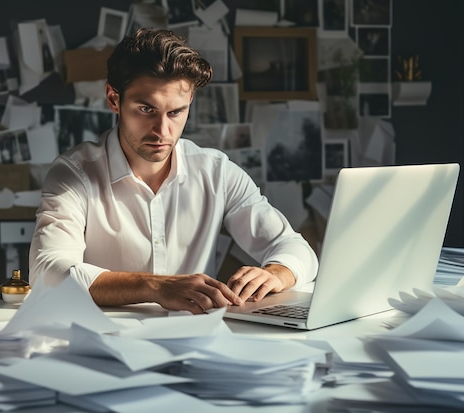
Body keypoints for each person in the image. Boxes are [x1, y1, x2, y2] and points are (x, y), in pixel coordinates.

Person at [29, 28, 318, 314]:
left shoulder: (216, 172)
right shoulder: (74, 174)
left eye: (176, 112)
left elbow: (294, 247)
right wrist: (155, 287)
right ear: (114, 99)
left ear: (189, 102)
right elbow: (48, 274)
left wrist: (278, 272)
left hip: (195, 342)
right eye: (146, 110)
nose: (162, 131)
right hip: (106, 344)